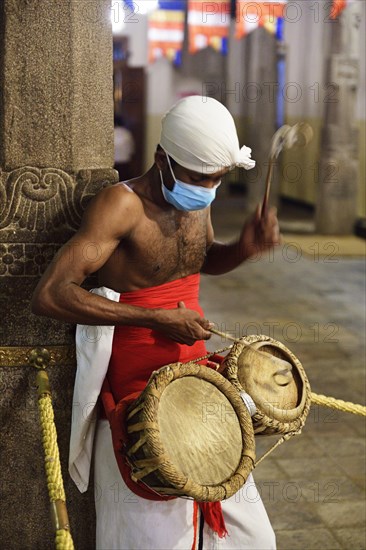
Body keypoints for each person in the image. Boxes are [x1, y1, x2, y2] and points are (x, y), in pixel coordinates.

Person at [31, 96, 280, 549]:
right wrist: (155, 319)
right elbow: (51, 294)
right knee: (153, 532)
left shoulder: (198, 198)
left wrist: (244, 248)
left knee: (251, 535)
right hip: (135, 386)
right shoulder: (120, 206)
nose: (205, 188)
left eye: (216, 180)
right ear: (161, 159)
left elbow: (200, 261)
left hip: (197, 373)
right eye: (196, 177)